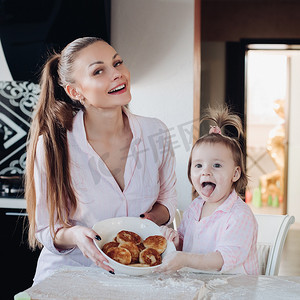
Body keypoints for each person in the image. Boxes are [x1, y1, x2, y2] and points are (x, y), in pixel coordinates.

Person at [25, 37, 177, 284]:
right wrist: (75, 235)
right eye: (99, 71)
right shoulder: (54, 146)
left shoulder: (155, 133)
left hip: (138, 276)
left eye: (117, 63)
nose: (117, 74)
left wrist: (146, 224)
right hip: (70, 276)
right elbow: (46, 229)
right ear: (75, 92)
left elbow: (167, 199)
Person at [158, 107, 258, 275]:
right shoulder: (195, 207)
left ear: (235, 174)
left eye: (217, 165)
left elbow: (222, 259)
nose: (206, 171)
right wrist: (175, 242)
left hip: (234, 290)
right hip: (199, 285)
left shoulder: (240, 216)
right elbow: (186, 246)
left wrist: (184, 259)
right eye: (198, 165)